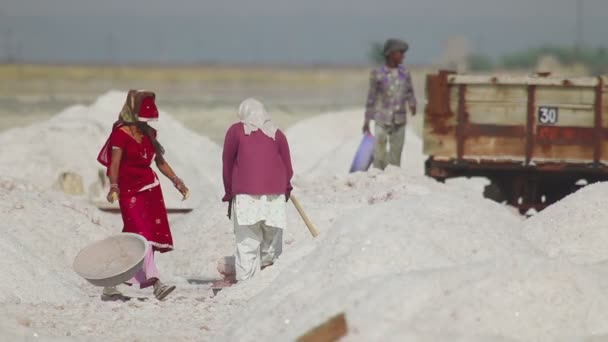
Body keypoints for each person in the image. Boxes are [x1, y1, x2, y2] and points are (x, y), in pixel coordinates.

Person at [96, 90, 189, 301]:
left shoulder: (150, 133)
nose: (145, 124)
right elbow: (115, 163)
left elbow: (160, 161)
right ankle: (157, 283)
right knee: (140, 236)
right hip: (129, 192)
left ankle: (110, 284)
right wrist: (113, 186)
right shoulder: (121, 133)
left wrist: (177, 181)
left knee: (138, 238)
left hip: (150, 189)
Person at [221, 98, 293, 283]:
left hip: (245, 196)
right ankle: (270, 284)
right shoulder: (277, 133)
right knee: (271, 245)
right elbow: (288, 167)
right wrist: (286, 188)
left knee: (247, 243)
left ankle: (247, 284)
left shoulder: (236, 131)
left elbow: (227, 163)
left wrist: (229, 192)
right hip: (274, 196)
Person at [363, 38, 417, 170]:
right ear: (391, 54)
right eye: (400, 53)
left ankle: (392, 182)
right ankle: (378, 178)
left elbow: (409, 91)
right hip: (382, 117)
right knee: (379, 154)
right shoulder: (378, 74)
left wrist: (412, 103)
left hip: (399, 119)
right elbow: (372, 98)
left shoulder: (405, 73)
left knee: (395, 156)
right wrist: (366, 120)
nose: (403, 56)